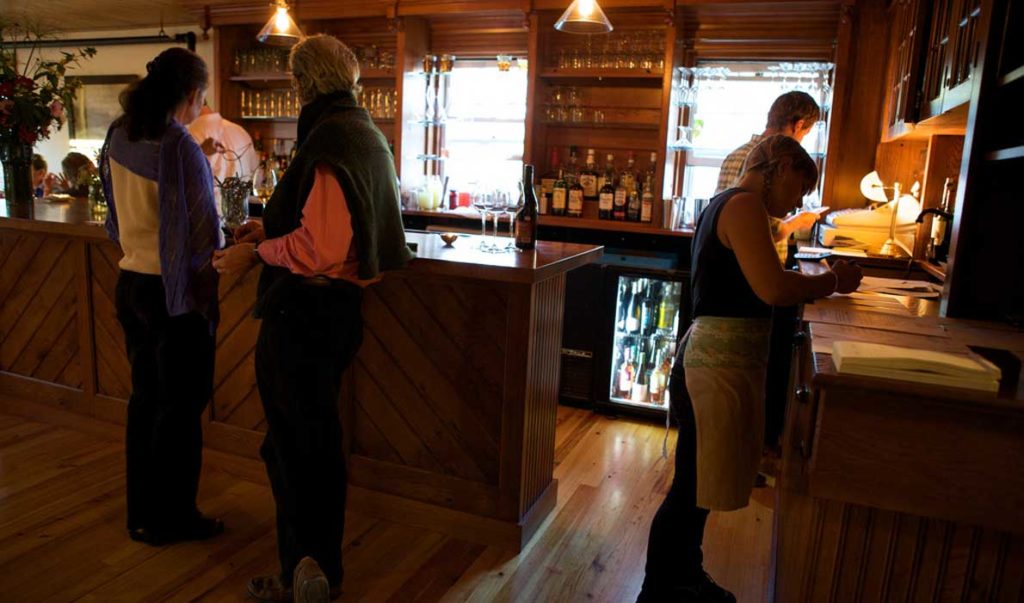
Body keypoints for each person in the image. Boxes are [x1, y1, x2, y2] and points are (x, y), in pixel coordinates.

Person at [211, 34, 413, 603]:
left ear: (303, 84)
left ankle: (306, 571)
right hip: (338, 312)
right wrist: (268, 234)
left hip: (304, 312)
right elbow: (327, 230)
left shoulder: (329, 136)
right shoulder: (365, 131)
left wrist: (256, 252)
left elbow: (320, 247)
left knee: (295, 449)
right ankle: (312, 567)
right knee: (311, 444)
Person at [638, 136, 862, 602]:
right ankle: (660, 590)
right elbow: (773, 288)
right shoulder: (742, 207)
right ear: (779, 167)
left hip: (716, 361)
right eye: (800, 186)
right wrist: (833, 281)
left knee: (698, 486)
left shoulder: (735, 206)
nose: (798, 201)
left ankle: (683, 577)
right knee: (689, 489)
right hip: (713, 366)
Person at [98, 47, 224, 547]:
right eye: (201, 96)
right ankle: (175, 518)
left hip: (130, 283)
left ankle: (142, 515)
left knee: (145, 402)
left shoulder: (118, 133)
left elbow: (112, 215)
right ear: (190, 95)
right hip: (173, 297)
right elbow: (203, 235)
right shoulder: (178, 146)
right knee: (181, 410)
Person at [715, 91, 823, 247]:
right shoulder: (767, 160)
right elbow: (762, 230)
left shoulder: (735, 154)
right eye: (804, 134)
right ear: (798, 125)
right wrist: (797, 222)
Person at [188, 104, 259, 203]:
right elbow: (257, 178)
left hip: (205, 216)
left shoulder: (188, 136)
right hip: (241, 215)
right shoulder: (241, 131)